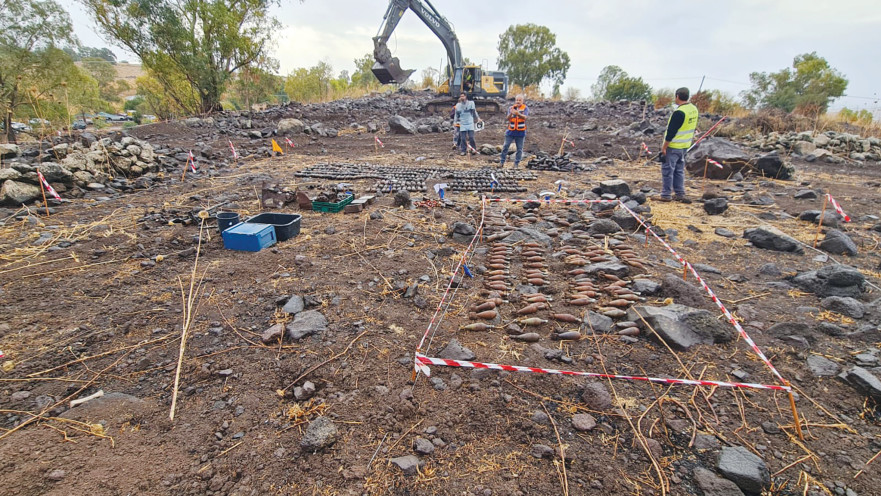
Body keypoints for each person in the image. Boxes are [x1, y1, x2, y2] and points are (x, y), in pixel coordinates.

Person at [658, 87, 698, 203]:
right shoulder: (693, 109)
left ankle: (666, 195)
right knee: (679, 170)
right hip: (685, 146)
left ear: (677, 96)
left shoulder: (679, 112)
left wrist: (664, 147)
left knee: (668, 170)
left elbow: (671, 132)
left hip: (674, 146)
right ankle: (679, 193)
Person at [500, 94, 529, 168]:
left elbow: (525, 117)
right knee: (505, 146)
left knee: (519, 149)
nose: (518, 102)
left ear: (523, 101)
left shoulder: (525, 108)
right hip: (511, 131)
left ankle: (516, 164)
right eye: (517, 100)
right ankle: (501, 162)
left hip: (520, 132)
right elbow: (507, 118)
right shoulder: (511, 108)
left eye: (520, 100)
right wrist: (511, 114)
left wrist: (518, 113)